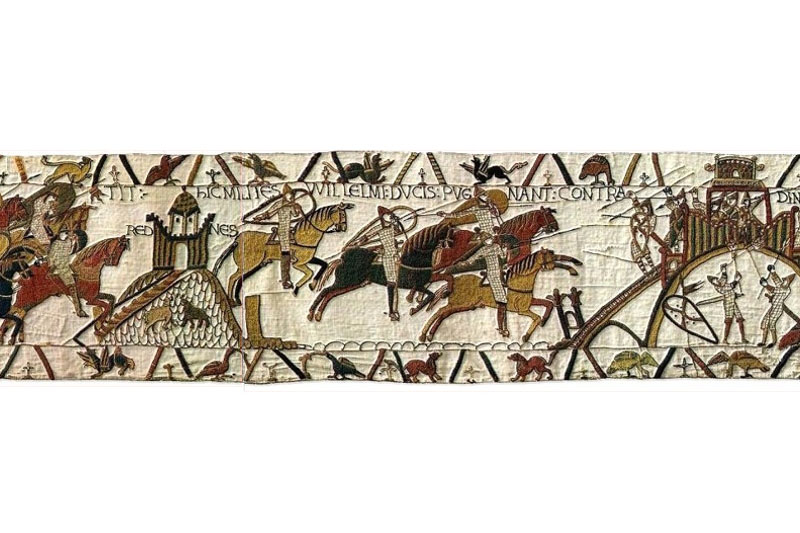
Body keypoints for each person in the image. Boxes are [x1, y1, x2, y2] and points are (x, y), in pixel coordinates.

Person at [461, 230, 510, 336]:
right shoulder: (483, 250)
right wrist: (467, 262)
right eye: (487, 239)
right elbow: (473, 257)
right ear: (484, 241)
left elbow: (503, 256)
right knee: (502, 300)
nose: (489, 241)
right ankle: (501, 327)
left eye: (490, 238)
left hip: (500, 271)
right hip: (492, 274)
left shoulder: (496, 246)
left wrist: (505, 249)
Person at [256, 184, 304, 289]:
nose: (291, 197)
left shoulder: (291, 205)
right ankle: (285, 280)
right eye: (289, 195)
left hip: (289, 229)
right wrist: (260, 217)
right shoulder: (279, 204)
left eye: (292, 196)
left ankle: (295, 257)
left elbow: (295, 215)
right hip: (282, 230)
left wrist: (298, 208)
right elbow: (269, 212)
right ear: (284, 195)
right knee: (285, 253)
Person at [47, 229, 87, 317]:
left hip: (61, 264)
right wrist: (52, 269)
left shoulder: (67, 243)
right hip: (59, 266)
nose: (73, 237)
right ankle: (78, 310)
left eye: (74, 236)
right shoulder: (61, 244)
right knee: (72, 287)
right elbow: (57, 259)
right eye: (73, 236)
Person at [707, 263, 748, 344]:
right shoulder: (718, 287)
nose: (716, 281)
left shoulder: (721, 282)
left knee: (740, 319)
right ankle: (725, 339)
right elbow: (730, 287)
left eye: (716, 279)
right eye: (714, 281)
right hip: (728, 304)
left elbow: (724, 277)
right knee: (729, 321)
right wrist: (737, 279)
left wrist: (723, 269)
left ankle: (743, 338)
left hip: (733, 303)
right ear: (713, 283)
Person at [375, 206, 404, 321]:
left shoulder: (391, 227)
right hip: (388, 258)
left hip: (395, 256)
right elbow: (368, 236)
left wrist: (396, 222)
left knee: (396, 284)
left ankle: (394, 310)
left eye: (391, 217)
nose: (390, 218)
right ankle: (392, 311)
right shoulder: (380, 228)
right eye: (388, 216)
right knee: (392, 284)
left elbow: (398, 231)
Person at [759, 264, 795, 348]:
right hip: (773, 307)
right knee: (765, 322)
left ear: (788, 283)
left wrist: (772, 273)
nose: (784, 282)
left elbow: (776, 283)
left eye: (786, 281)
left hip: (778, 309)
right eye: (784, 281)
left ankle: (773, 341)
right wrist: (766, 284)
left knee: (771, 323)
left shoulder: (786, 290)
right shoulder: (780, 287)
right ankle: (763, 341)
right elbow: (775, 287)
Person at [628, 193, 656, 274]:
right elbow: (637, 211)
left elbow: (649, 228)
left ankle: (653, 269)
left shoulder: (651, 218)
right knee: (638, 256)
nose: (643, 210)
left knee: (645, 253)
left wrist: (641, 225)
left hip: (642, 238)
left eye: (644, 209)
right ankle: (646, 273)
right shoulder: (640, 216)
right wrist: (634, 199)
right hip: (637, 239)